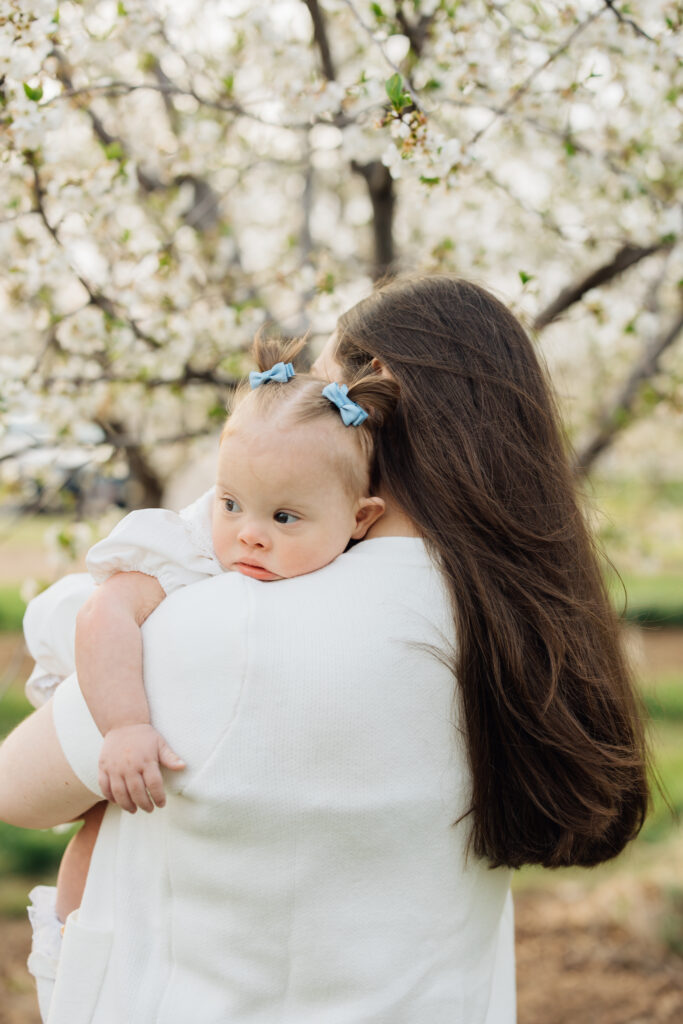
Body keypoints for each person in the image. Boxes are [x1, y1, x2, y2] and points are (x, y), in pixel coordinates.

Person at [0, 275, 650, 1024]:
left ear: (378, 406)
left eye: (324, 393)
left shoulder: (220, 629)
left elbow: (20, 789)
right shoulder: (517, 635)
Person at [22, 332, 398, 948]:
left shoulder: (345, 579)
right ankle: (65, 944)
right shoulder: (184, 553)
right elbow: (102, 619)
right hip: (101, 672)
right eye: (231, 503)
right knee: (102, 817)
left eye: (283, 517)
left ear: (360, 519)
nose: (249, 535)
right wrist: (123, 726)